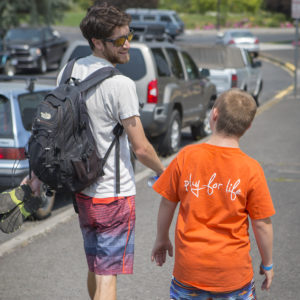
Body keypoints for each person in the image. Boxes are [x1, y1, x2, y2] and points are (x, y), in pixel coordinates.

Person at [56, 3, 165, 300]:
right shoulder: (120, 84)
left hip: (83, 193)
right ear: (97, 42)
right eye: (118, 40)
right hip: (114, 197)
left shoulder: (67, 73)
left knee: (95, 267)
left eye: (128, 35)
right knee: (107, 277)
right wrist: (163, 171)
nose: (127, 44)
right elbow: (141, 148)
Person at [151, 88, 275, 300]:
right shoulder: (251, 169)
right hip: (233, 274)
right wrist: (267, 263)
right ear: (248, 126)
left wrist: (162, 238)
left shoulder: (186, 156)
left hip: (189, 269)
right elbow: (262, 223)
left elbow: (167, 203)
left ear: (214, 114)